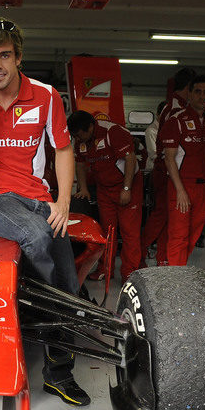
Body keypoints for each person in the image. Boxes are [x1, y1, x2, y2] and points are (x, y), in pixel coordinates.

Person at [0, 17, 87, 407]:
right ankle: (38, 311)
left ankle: (59, 373)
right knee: (37, 238)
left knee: (70, 288)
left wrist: (64, 202)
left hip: (38, 200)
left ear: (19, 57)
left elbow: (64, 148)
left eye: (5, 55)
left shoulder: (46, 95)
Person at [68, 110, 142, 282]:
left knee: (129, 231)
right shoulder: (80, 140)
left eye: (79, 135)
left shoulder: (114, 132)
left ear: (90, 127)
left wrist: (126, 188)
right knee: (108, 232)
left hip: (127, 184)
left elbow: (130, 159)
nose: (77, 139)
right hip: (104, 188)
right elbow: (79, 164)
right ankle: (105, 270)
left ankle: (129, 273)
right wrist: (84, 188)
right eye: (74, 136)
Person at [159, 74, 205, 266]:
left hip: (203, 187)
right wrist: (180, 189)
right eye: (197, 92)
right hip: (181, 186)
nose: (202, 96)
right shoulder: (177, 120)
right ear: (189, 94)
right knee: (178, 236)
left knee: (194, 234)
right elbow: (169, 158)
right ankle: (175, 279)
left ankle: (179, 271)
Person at [142, 68, 195, 265]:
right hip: (166, 171)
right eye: (196, 90)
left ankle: (162, 258)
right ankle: (141, 250)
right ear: (189, 88)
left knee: (167, 218)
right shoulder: (176, 109)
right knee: (161, 216)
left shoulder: (174, 105)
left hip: (168, 170)